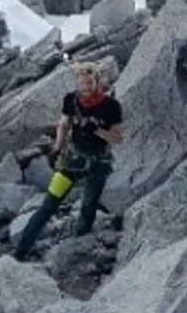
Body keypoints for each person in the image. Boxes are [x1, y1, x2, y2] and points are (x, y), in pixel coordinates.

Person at [14, 61, 124, 260]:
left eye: (89, 83)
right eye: (82, 84)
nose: (86, 88)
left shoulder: (111, 106)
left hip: (99, 163)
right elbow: (63, 124)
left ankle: (77, 249)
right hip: (71, 161)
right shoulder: (71, 100)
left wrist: (98, 131)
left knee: (88, 206)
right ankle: (20, 251)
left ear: (97, 81)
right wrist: (57, 146)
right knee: (49, 204)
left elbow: (118, 137)